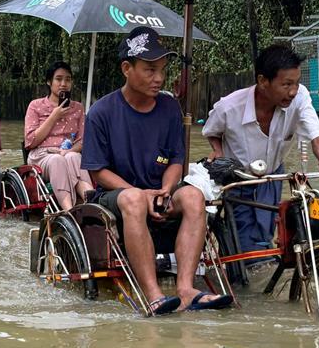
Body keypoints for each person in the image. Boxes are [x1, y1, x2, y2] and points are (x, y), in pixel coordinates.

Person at [82, 26, 233, 315]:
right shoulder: (101, 112)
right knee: (134, 199)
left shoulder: (168, 107)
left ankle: (186, 289)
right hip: (115, 196)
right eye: (150, 70)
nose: (159, 78)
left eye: (162, 70)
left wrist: (166, 189)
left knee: (193, 197)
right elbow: (98, 171)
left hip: (161, 192)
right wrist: (138, 192)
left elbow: (176, 159)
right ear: (127, 68)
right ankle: (153, 294)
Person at [202, 44, 319, 254]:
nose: (292, 91)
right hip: (239, 180)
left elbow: (315, 133)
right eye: (286, 84)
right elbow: (211, 131)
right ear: (263, 81)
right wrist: (219, 154)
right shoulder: (229, 107)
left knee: (273, 236)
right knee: (247, 248)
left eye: (296, 83)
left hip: (273, 176)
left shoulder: (300, 96)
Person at [23, 61, 94, 210]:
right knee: (57, 160)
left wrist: (69, 151)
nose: (63, 84)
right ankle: (68, 210)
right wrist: (54, 116)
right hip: (42, 154)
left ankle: (91, 203)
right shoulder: (35, 105)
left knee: (74, 157)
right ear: (49, 82)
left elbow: (82, 141)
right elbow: (30, 142)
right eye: (59, 79)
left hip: (69, 152)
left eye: (68, 79)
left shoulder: (78, 108)